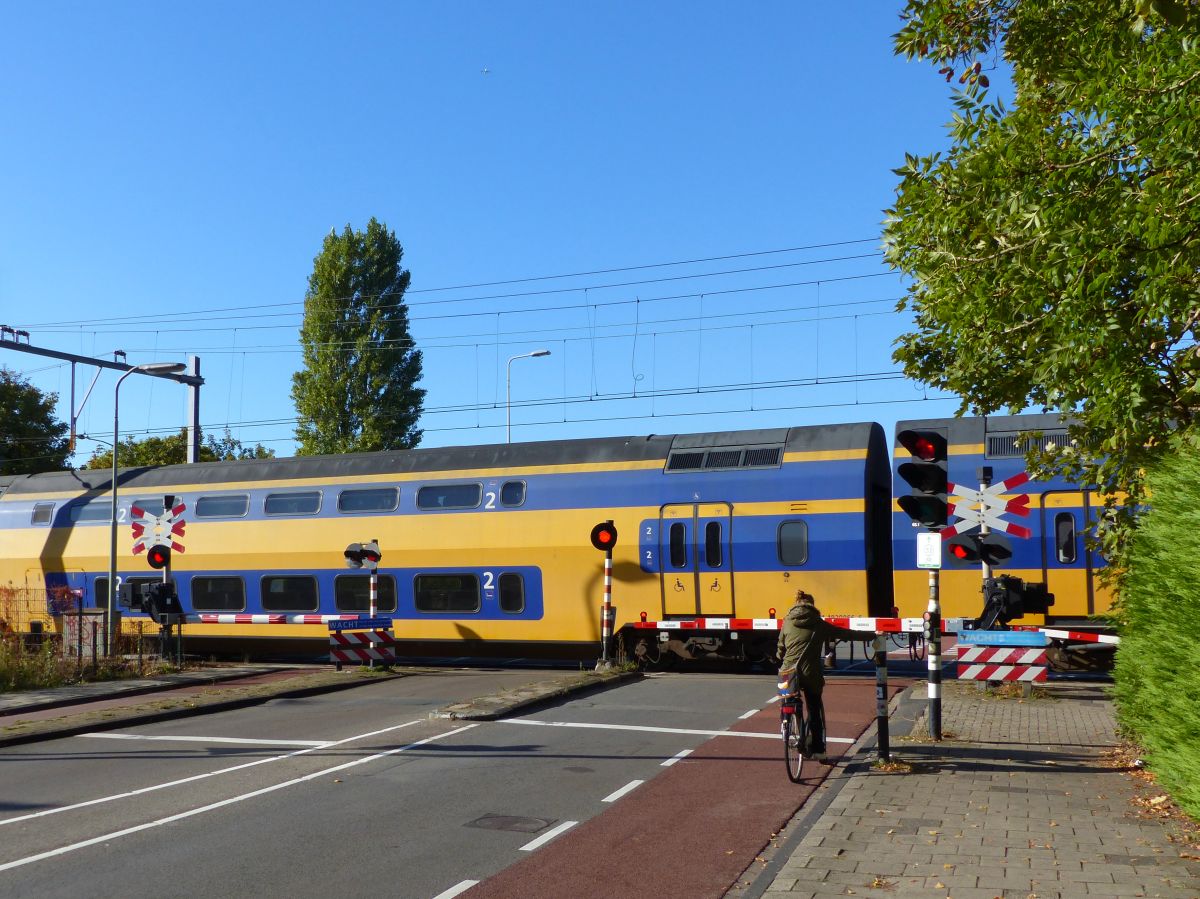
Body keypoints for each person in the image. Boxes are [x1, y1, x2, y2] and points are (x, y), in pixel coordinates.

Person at [776, 589, 855, 759]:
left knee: (786, 697)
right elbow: (845, 634)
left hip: (788, 672)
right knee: (814, 709)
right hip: (811, 674)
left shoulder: (787, 622)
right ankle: (818, 750)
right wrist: (873, 636)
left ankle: (785, 722)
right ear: (813, 606)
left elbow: (781, 646)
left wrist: (779, 656)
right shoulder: (818, 623)